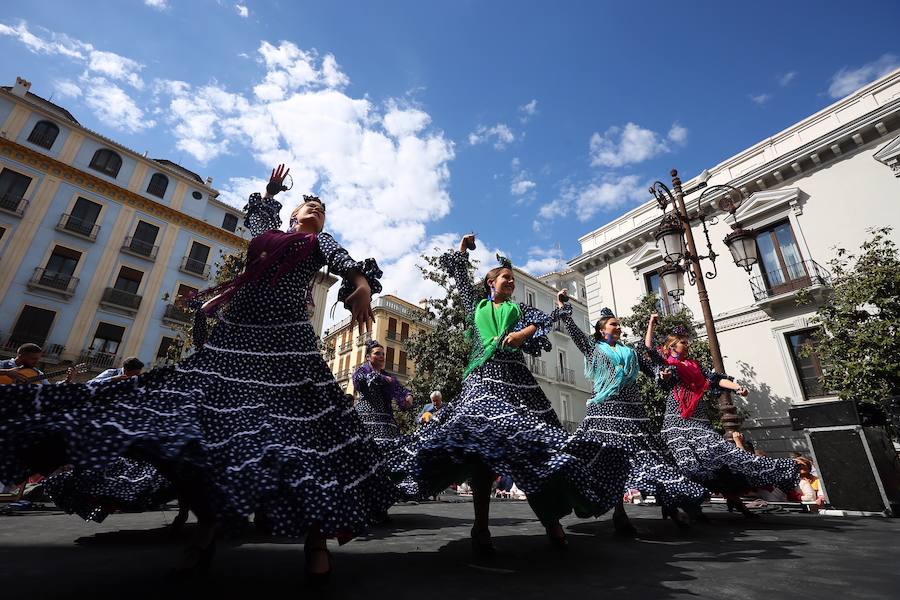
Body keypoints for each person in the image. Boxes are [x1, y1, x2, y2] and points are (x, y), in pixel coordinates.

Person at [0, 164, 395, 582]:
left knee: (306, 436)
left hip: (287, 342)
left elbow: (347, 264)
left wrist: (362, 286)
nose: (315, 208)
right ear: (293, 214)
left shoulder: (318, 243)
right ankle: (206, 532)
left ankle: (315, 541)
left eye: (321, 208)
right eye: (309, 204)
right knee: (208, 428)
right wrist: (272, 189)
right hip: (236, 337)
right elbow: (261, 216)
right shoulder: (267, 233)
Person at [402, 235, 627, 554]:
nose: (510, 280)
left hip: (516, 384)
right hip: (481, 381)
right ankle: (480, 527)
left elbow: (541, 321)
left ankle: (552, 522)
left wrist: (522, 332)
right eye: (505, 277)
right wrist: (463, 252)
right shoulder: (476, 306)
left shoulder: (519, 308)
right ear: (490, 283)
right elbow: (459, 277)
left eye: (511, 278)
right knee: (480, 452)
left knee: (537, 450)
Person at [556, 300, 708, 534]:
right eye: (613, 324)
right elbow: (576, 333)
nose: (618, 327)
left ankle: (671, 505)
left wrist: (663, 373)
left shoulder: (630, 351)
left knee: (653, 456)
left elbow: (652, 371)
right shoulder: (593, 348)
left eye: (618, 325)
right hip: (605, 411)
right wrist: (565, 310)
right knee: (613, 460)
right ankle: (620, 512)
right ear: (601, 329)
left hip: (633, 410)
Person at [654, 326, 800, 517]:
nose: (686, 345)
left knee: (722, 456)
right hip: (677, 419)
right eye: (682, 342)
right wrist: (652, 324)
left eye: (687, 342)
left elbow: (716, 380)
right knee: (687, 462)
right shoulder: (670, 364)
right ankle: (680, 504)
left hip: (699, 419)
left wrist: (737, 387)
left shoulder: (695, 365)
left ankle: (733, 498)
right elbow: (656, 364)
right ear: (672, 346)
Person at [0, 343, 77, 384]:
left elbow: (49, 389)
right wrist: (6, 372)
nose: (36, 362)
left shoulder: (37, 373)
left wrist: (67, 380)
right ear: (21, 356)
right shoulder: (3, 365)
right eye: (33, 359)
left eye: (38, 359)